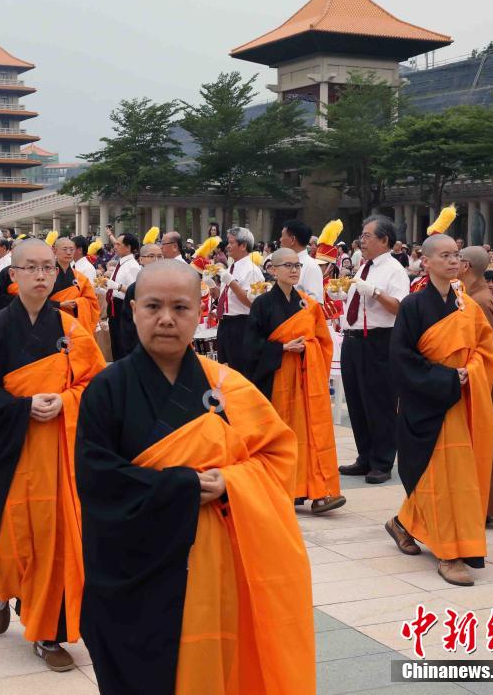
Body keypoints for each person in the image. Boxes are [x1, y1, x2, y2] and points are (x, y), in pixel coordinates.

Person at [76, 259, 315, 695]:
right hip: (136, 572)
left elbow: (278, 456)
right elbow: (98, 480)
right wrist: (184, 487)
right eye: (153, 306)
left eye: (181, 308)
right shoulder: (106, 389)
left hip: (215, 568)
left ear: (199, 310)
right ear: (132, 311)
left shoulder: (229, 387)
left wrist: (232, 482)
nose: (166, 319)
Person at [0, 239, 105, 672]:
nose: (42, 275)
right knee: (9, 540)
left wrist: (67, 402)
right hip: (12, 450)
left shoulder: (72, 329)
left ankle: (48, 632)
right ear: (14, 274)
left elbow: (97, 385)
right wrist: (22, 408)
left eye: (48, 267)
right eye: (32, 268)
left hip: (62, 453)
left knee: (57, 538)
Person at [386, 234, 493, 586]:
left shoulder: (467, 306)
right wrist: (445, 378)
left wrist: (471, 371)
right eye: (445, 255)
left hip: (460, 399)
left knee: (456, 480)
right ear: (426, 262)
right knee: (438, 479)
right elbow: (402, 359)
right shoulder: (413, 306)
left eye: (457, 255)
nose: (453, 261)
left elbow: (485, 347)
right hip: (428, 401)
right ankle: (449, 554)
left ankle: (403, 523)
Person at [245, 248, 346, 514]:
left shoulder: (307, 304)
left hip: (305, 379)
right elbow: (250, 346)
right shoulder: (262, 304)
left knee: (312, 433)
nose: (293, 270)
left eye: (297, 266)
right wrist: (281, 348)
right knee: (283, 434)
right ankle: (283, 488)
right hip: (277, 378)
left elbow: (323, 341)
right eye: (287, 265)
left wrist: (307, 349)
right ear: (272, 270)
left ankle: (318, 490)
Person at [337, 216, 410, 483]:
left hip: (378, 340)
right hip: (354, 339)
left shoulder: (393, 269)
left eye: (368, 236)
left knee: (379, 401)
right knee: (356, 400)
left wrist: (375, 292)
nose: (362, 241)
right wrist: (343, 295)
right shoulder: (363, 267)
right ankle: (364, 456)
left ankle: (382, 460)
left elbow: (399, 307)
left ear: (384, 240)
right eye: (362, 236)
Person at [459, 246, 493, 520]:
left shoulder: (480, 300)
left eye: (455, 259)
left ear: (465, 266)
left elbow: (487, 349)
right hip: (473, 377)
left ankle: (487, 504)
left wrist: (484, 383)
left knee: (485, 440)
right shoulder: (470, 296)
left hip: (482, 380)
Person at [215, 227, 264, 375]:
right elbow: (226, 296)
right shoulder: (232, 267)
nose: (227, 246)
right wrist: (211, 286)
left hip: (241, 324)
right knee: (224, 369)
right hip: (225, 323)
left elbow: (252, 303)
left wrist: (230, 281)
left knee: (239, 371)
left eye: (231, 243)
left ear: (243, 246)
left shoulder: (252, 270)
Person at [100, 231, 140, 361]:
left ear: (128, 247)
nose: (115, 246)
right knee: (116, 343)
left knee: (123, 344)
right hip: (114, 305)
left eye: (118, 244)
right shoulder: (121, 262)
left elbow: (135, 291)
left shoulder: (133, 266)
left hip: (123, 306)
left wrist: (117, 286)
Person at [118, 243, 163, 358]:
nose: (156, 260)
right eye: (152, 256)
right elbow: (128, 324)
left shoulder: (170, 285)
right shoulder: (134, 288)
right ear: (141, 260)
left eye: (160, 256)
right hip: (141, 346)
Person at [50, 237, 100, 332]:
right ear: (54, 251)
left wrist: (78, 303)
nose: (69, 252)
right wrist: (59, 304)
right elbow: (35, 300)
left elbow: (91, 300)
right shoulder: (46, 274)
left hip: (74, 323)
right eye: (65, 249)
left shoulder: (79, 276)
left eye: (72, 249)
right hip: (52, 321)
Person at [280, 220, 323, 301]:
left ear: (292, 239)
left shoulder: (311, 266)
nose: (280, 239)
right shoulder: (284, 263)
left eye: (282, 236)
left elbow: (315, 302)